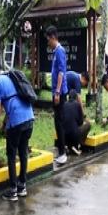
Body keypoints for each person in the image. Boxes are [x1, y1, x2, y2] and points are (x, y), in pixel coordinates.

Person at [0, 60, 34, 201]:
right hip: (29, 117)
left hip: (17, 121)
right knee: (23, 153)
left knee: (11, 154)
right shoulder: (12, 76)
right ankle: (22, 187)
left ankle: (13, 190)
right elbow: (7, 103)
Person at [46, 25, 68, 164]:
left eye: (48, 39)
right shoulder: (56, 51)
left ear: (53, 37)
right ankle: (61, 150)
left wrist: (58, 92)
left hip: (59, 92)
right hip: (56, 91)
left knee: (59, 122)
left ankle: (62, 153)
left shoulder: (59, 51)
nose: (47, 42)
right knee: (57, 121)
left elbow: (61, 72)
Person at [63, 90, 91, 155]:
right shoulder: (77, 105)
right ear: (76, 98)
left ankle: (67, 146)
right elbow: (80, 122)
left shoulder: (64, 105)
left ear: (68, 97)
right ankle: (78, 145)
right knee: (88, 124)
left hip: (64, 136)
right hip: (74, 135)